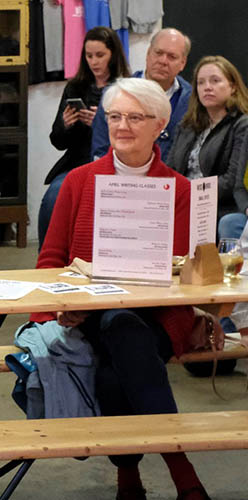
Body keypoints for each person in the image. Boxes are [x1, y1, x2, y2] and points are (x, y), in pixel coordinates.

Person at [37, 78, 209, 500]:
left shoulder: (181, 191)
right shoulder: (76, 182)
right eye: (115, 116)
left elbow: (188, 271)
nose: (123, 125)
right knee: (118, 337)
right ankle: (180, 469)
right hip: (88, 318)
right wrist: (57, 311)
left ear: (160, 125)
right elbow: (49, 263)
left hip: (158, 317)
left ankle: (129, 480)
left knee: (120, 346)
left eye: (136, 117)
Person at [39, 26, 130, 248]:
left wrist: (100, 124)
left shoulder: (125, 88)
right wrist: (66, 125)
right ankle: (46, 253)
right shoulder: (76, 87)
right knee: (54, 195)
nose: (94, 62)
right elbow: (57, 141)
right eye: (89, 56)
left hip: (112, 163)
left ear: (113, 55)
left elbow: (132, 138)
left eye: (100, 55)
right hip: (77, 162)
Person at [166, 55, 248, 239]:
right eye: (201, 83)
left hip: (218, 208)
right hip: (182, 203)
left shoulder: (242, 125)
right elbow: (170, 169)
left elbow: (232, 180)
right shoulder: (187, 125)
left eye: (215, 81)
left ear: (233, 86)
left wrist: (190, 193)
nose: (207, 87)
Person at [90, 28, 193, 161]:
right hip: (120, 177)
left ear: (182, 63)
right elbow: (101, 148)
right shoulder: (115, 94)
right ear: (148, 54)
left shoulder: (192, 100)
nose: (163, 61)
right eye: (158, 53)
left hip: (170, 178)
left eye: (172, 57)